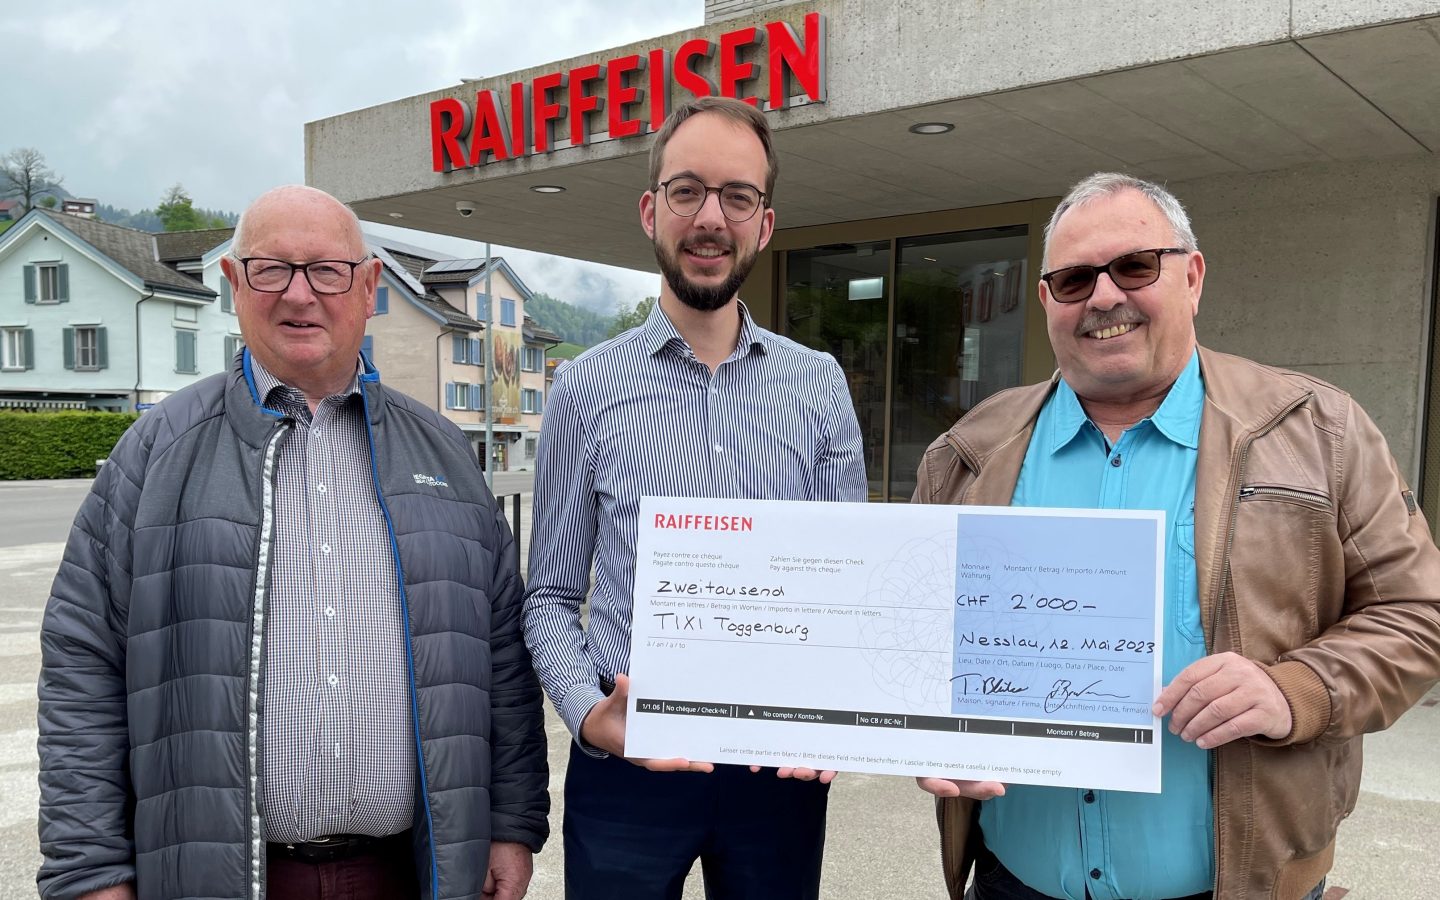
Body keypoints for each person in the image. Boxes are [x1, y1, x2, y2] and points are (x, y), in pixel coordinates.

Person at [912, 171, 1440, 900]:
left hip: (1241, 884)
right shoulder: (966, 453)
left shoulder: (1322, 431)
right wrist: (920, 729)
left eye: (1134, 266)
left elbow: (1419, 615)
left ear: (1191, 277)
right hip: (1015, 882)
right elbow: (911, 638)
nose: (1103, 297)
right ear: (1047, 302)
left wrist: (1298, 689)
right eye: (1072, 280)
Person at [37, 185, 549, 900]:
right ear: (233, 284)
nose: (299, 295)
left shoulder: (443, 454)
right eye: (271, 269)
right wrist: (89, 870)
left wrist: (512, 823)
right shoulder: (153, 454)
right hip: (218, 878)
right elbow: (82, 668)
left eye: (327, 271)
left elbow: (500, 662)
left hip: (410, 873)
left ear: (369, 286)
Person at [523, 95, 867, 900]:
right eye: (687, 191)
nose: (711, 217)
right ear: (651, 210)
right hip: (628, 763)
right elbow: (548, 595)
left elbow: (850, 592)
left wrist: (850, 708)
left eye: (737, 196)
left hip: (775, 765)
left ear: (765, 224)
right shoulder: (584, 387)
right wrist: (586, 712)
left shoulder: (818, 386)